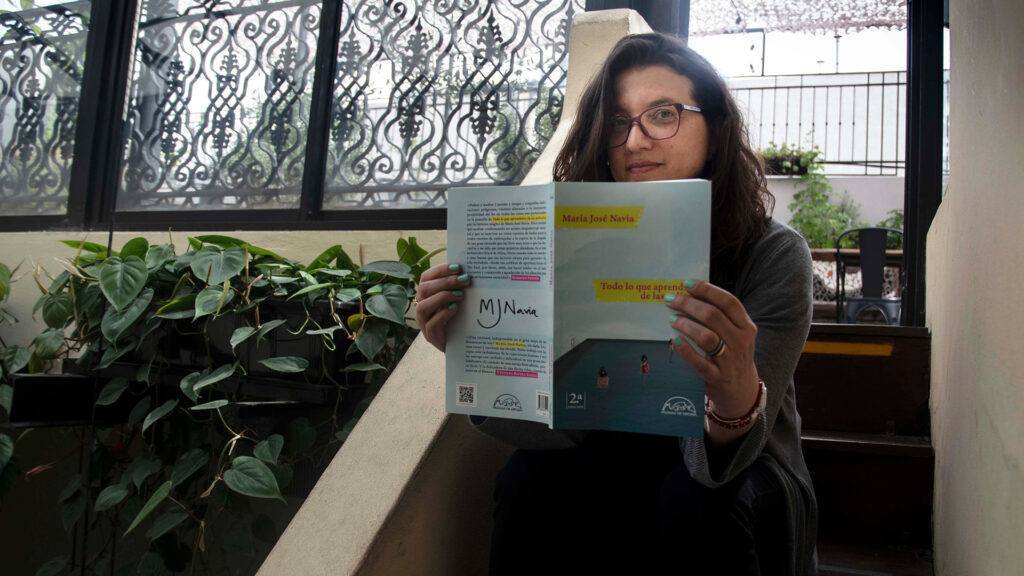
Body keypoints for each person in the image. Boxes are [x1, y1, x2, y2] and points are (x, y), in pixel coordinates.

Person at [414, 33, 816, 575]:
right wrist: (473, 350)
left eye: (663, 114)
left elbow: (721, 464)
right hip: (612, 452)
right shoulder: (573, 243)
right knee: (528, 479)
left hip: (741, 465)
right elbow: (560, 432)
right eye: (618, 122)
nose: (635, 140)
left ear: (717, 130)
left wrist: (732, 393)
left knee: (692, 501)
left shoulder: (773, 252)